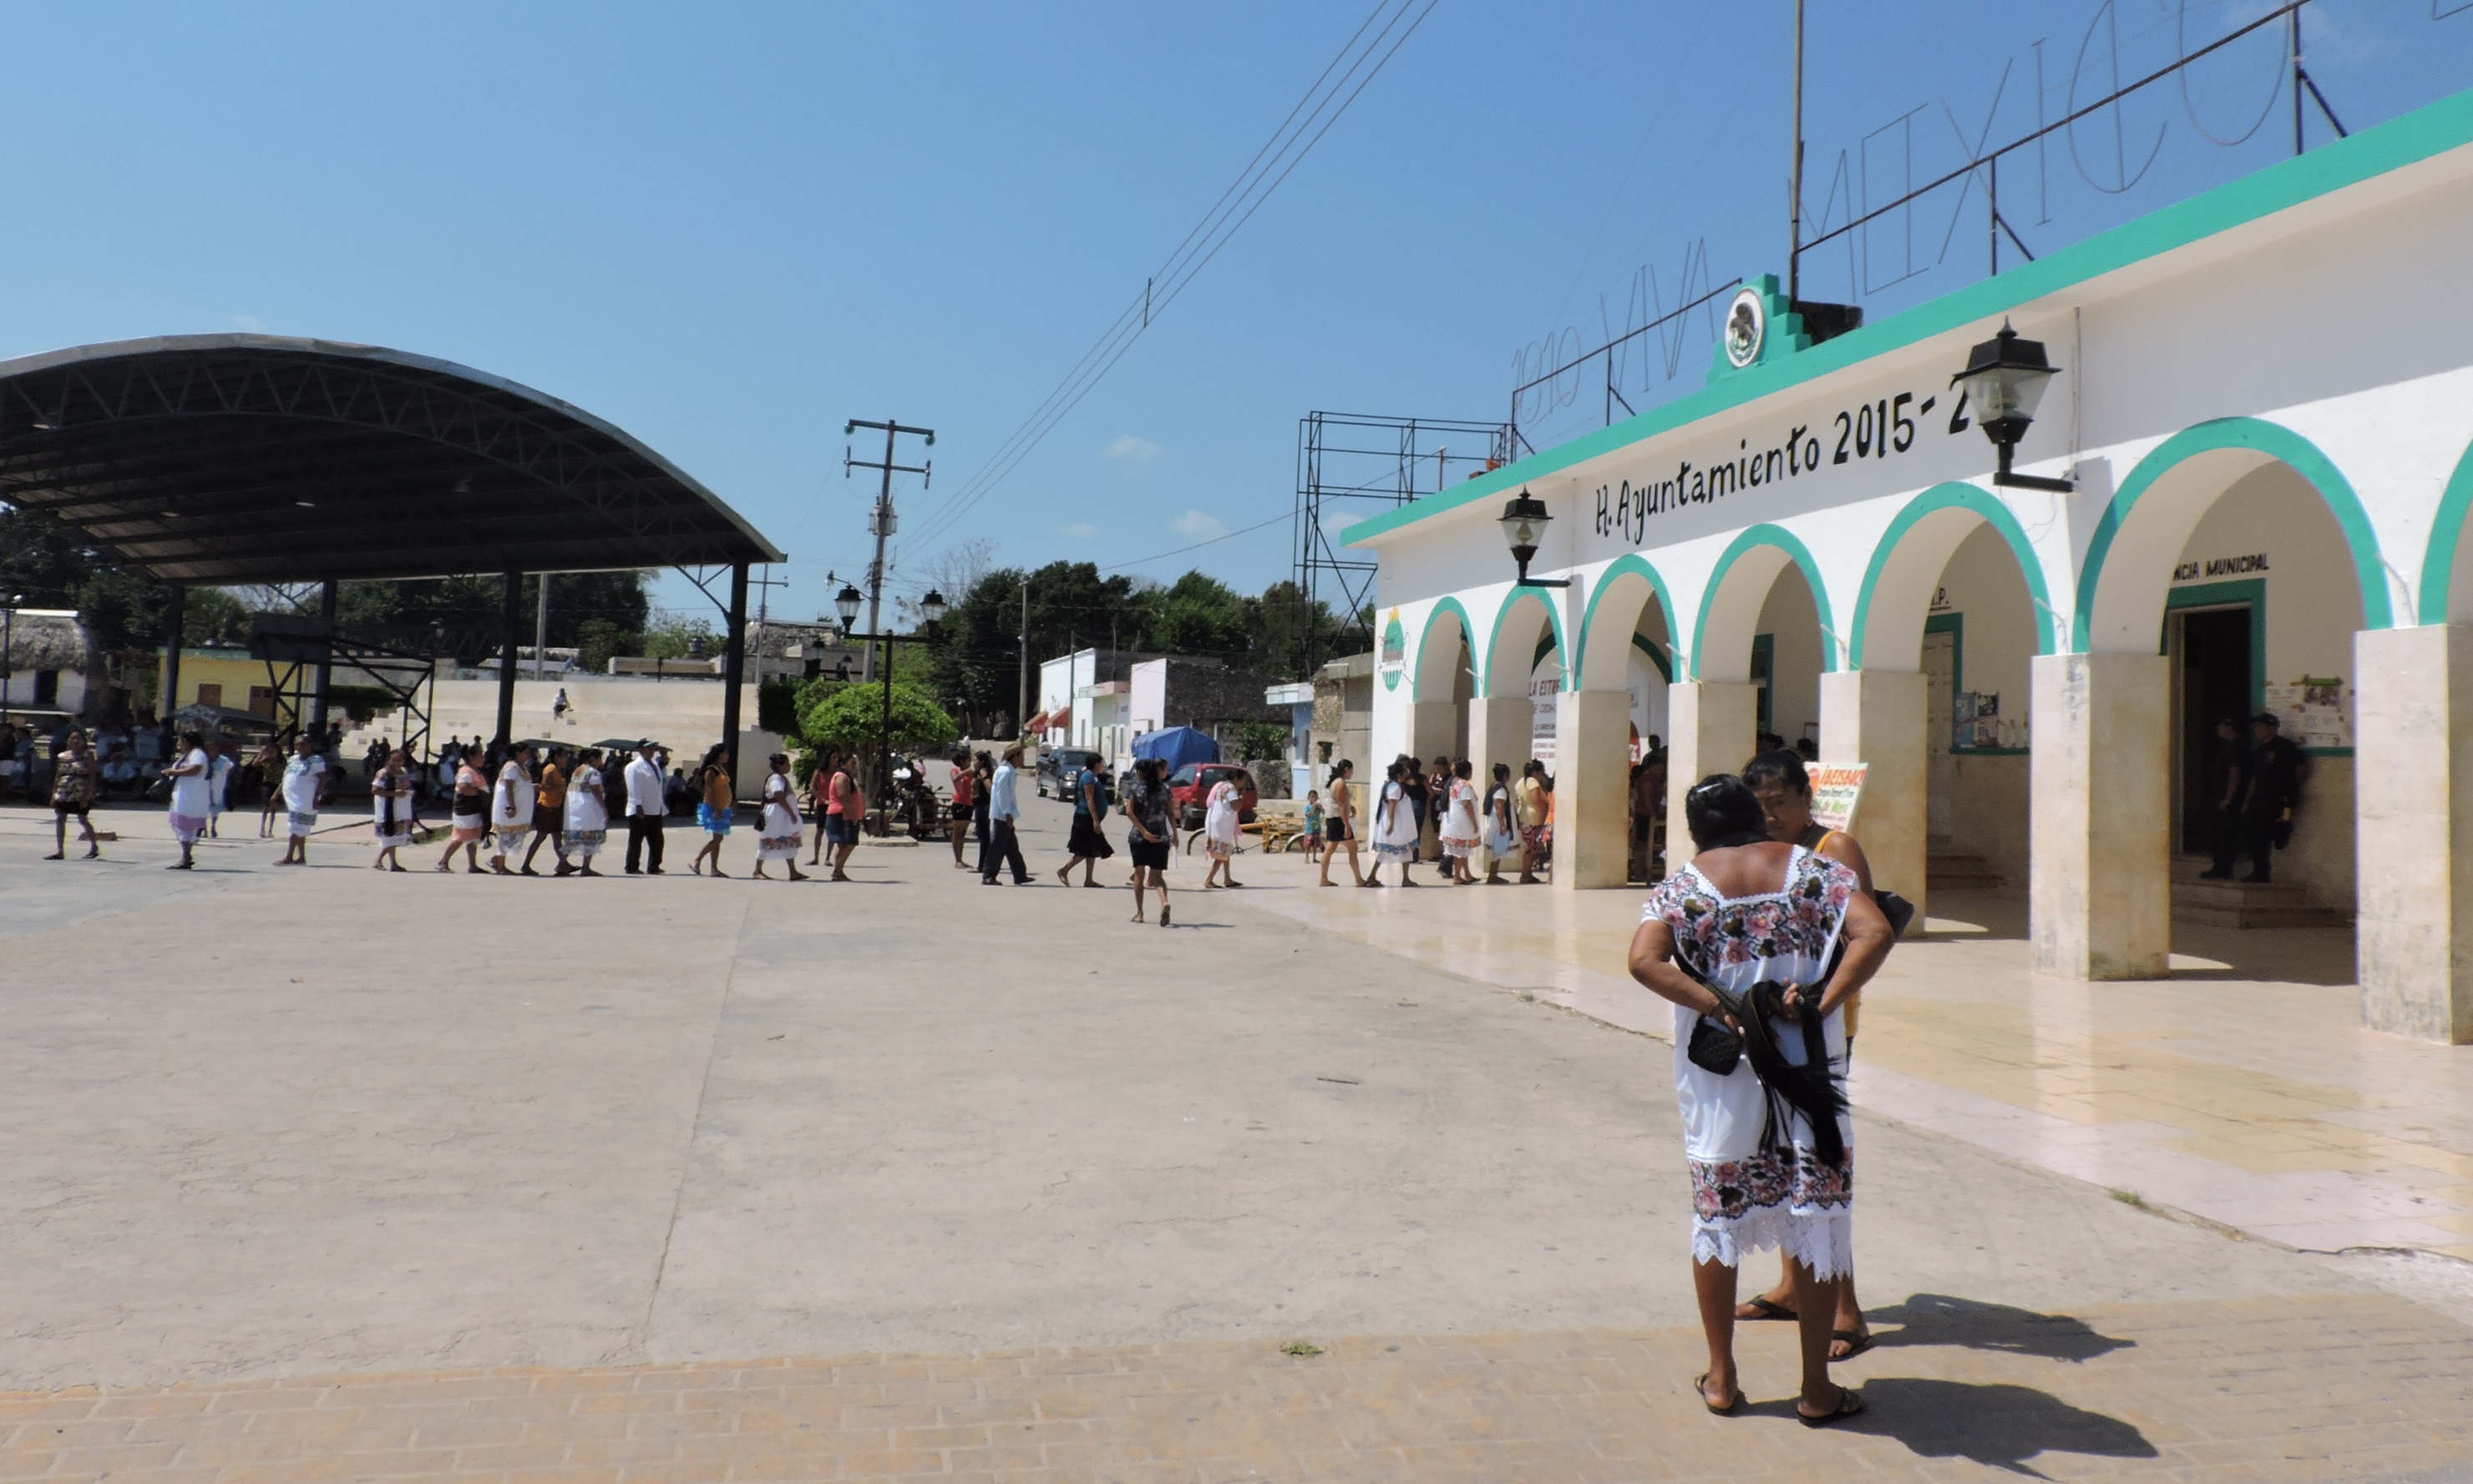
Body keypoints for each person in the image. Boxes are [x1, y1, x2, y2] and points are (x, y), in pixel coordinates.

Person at [1628, 773, 1893, 1426]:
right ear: (1754, 813)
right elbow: (1875, 931)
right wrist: (1821, 1004)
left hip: (1721, 1089)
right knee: (1814, 1217)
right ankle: (1815, 1388)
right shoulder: (1813, 872)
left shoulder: (1681, 887)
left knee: (1716, 1221)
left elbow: (1642, 960)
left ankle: (1721, 1377)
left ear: (1696, 830)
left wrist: (1718, 1004)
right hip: (1808, 1078)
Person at [2239, 712, 2310, 884]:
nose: (2256, 730)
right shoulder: (2259, 751)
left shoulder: (2284, 747)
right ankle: (2260, 872)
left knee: (2274, 825)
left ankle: (2282, 831)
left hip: (2280, 799)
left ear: (2271, 728)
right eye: (2256, 727)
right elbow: (2255, 778)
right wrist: (2247, 801)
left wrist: (2290, 787)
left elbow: (2301, 768)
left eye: (2260, 726)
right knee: (2255, 832)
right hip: (2260, 799)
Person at [2196, 717, 2249, 881]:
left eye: (2221, 726)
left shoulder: (2237, 746)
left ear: (2229, 727)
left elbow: (2235, 772)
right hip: (2223, 796)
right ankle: (2219, 867)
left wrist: (2228, 798)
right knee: (2219, 833)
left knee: (2225, 834)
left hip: (2229, 799)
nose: (2218, 729)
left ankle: (2223, 868)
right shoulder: (2231, 746)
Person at [1122, 755, 1173, 923]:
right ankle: (1164, 902)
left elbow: (1129, 812)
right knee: (1157, 876)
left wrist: (1144, 832)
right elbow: (1171, 813)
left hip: (1139, 837)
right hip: (1160, 837)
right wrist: (1175, 834)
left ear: (1140, 773)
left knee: (1139, 874)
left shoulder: (1135, 788)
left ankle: (1140, 913)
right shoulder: (1165, 789)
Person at [1057, 752, 1116, 887]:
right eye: (1101, 764)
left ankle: (1089, 879)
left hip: (1091, 817)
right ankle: (1064, 870)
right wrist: (1095, 820)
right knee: (1084, 849)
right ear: (1095, 765)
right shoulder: (1088, 777)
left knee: (1092, 849)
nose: (1102, 766)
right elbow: (1089, 799)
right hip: (1085, 818)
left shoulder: (1093, 777)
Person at [161, 729, 214, 868]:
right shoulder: (188, 755)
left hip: (192, 796)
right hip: (185, 795)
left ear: (185, 741)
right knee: (182, 825)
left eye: (180, 740)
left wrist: (174, 772)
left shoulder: (197, 754)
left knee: (182, 825)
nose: (179, 744)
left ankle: (186, 856)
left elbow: (195, 770)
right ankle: (186, 856)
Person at [45, 727, 99, 860]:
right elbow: (58, 776)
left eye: (78, 739)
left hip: (80, 791)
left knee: (82, 819)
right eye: (72, 738)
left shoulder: (87, 756)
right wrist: (53, 794)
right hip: (64, 791)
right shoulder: (62, 756)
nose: (75, 741)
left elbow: (92, 776)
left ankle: (94, 846)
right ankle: (60, 850)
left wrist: (87, 795)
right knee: (60, 818)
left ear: (83, 741)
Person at [276, 733, 328, 867]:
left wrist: (317, 797)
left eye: (303, 744)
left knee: (296, 828)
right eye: (297, 744)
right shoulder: (293, 759)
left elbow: (323, 778)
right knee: (299, 829)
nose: (300, 747)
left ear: (310, 745)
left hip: (305, 799)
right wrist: (275, 795)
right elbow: (286, 778)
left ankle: (289, 856)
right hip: (292, 799)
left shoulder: (316, 760)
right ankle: (301, 857)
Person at [982, 744, 1031, 885]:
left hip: (1005, 815)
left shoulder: (1009, 771)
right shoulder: (1005, 772)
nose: (1023, 759)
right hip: (1001, 816)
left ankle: (1020, 875)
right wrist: (1007, 813)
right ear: (1014, 756)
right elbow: (1002, 795)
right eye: (1021, 756)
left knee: (1012, 847)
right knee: (998, 847)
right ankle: (989, 875)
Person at [753, 752, 808, 881]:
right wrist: (791, 813)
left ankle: (793, 871)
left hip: (782, 816)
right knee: (769, 839)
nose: (789, 766)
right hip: (777, 814)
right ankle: (757, 870)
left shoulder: (781, 778)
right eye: (787, 764)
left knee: (788, 840)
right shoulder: (776, 779)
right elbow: (779, 796)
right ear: (779, 765)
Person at [437, 748, 491, 873]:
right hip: (466, 809)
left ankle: (472, 865)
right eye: (480, 755)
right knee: (461, 837)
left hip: (475, 809)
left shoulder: (476, 770)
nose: (483, 758)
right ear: (471, 757)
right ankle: (443, 862)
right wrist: (480, 793)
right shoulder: (466, 771)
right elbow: (463, 788)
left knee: (473, 838)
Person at [1369, 759, 1421, 887]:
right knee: (1386, 852)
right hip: (1398, 826)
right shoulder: (1395, 788)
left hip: (1403, 826)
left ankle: (1406, 878)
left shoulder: (1394, 786)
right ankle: (1372, 876)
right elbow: (1392, 805)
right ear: (1399, 775)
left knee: (1407, 851)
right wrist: (1391, 824)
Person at [524, 747, 571, 877]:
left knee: (557, 837)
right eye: (564, 756)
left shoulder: (556, 769)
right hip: (546, 807)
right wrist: (561, 787)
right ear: (557, 757)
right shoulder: (550, 769)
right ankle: (526, 865)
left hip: (553, 807)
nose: (566, 759)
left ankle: (563, 864)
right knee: (541, 837)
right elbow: (544, 787)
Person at [1316, 759, 1363, 887]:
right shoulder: (1340, 783)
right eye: (1351, 770)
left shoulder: (1336, 782)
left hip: (1334, 818)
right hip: (1338, 819)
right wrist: (1346, 824)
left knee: (1331, 848)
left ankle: (1324, 878)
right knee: (1352, 848)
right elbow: (1341, 805)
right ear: (1347, 770)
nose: (1352, 773)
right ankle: (1358, 879)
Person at [565, 747, 610, 877]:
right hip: (589, 806)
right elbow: (596, 790)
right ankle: (586, 867)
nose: (601, 761)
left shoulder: (578, 770)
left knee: (575, 836)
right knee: (591, 835)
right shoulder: (592, 772)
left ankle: (563, 862)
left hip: (575, 806)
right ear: (593, 759)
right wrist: (604, 809)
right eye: (599, 759)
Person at [624, 740, 667, 875]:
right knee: (636, 840)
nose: (651, 750)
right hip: (640, 809)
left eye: (653, 748)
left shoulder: (654, 765)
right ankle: (632, 866)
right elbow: (633, 787)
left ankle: (654, 866)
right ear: (640, 749)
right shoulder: (634, 767)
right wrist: (637, 805)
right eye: (648, 748)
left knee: (657, 840)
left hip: (655, 808)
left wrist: (661, 805)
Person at [489, 747, 534, 876]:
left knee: (515, 836)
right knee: (505, 837)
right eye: (525, 752)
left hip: (521, 811)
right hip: (509, 808)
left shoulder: (521, 767)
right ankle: (500, 866)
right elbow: (508, 787)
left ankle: (496, 860)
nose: (528, 755)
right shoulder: (511, 767)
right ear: (518, 754)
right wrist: (511, 806)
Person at [691, 744, 732, 877]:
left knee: (718, 838)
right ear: (719, 754)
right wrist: (716, 809)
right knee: (718, 838)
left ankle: (714, 868)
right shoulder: (711, 770)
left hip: (723, 806)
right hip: (715, 807)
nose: (727, 755)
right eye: (725, 753)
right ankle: (697, 859)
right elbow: (710, 791)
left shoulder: (721, 768)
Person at [371, 748, 416, 872]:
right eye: (394, 760)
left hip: (400, 808)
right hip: (386, 808)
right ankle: (379, 860)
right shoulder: (384, 773)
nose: (396, 763)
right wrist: (394, 793)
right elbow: (375, 790)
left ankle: (392, 863)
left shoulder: (404, 772)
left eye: (399, 760)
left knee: (394, 836)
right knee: (389, 835)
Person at [1440, 758, 1481, 884]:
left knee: (1463, 850)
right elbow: (1467, 805)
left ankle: (1467, 874)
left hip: (1453, 821)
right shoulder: (1465, 786)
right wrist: (1474, 824)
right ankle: (1457, 876)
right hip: (1462, 823)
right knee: (1460, 851)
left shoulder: (1454, 783)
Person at [1200, 772, 1243, 889]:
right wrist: (1241, 798)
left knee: (1226, 851)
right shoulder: (1231, 788)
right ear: (1236, 779)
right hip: (1223, 824)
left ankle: (1227, 878)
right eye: (1242, 781)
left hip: (1216, 820)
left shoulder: (1221, 786)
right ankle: (1209, 880)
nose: (1243, 784)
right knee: (1222, 852)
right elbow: (1236, 806)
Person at [823, 752, 862, 881]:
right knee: (850, 842)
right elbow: (843, 797)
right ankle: (837, 871)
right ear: (843, 764)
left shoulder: (847, 777)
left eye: (855, 764)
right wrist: (853, 815)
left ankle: (839, 871)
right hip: (843, 815)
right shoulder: (842, 777)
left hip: (845, 815)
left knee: (843, 844)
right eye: (852, 763)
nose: (855, 766)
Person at [1515, 760, 1552, 884]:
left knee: (1531, 848)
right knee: (1531, 849)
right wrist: (1547, 802)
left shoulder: (1520, 782)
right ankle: (1525, 874)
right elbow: (1537, 799)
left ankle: (1528, 873)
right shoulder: (1533, 782)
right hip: (1533, 819)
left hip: (1524, 817)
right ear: (1535, 772)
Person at [1482, 762, 1518, 885]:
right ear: (1506, 775)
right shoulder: (1500, 789)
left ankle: (1494, 874)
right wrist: (1502, 824)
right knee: (1498, 850)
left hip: (1495, 823)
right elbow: (1499, 805)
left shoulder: (1494, 786)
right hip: (1498, 824)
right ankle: (1492, 875)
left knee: (1498, 850)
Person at [946, 748, 976, 869]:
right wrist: (965, 772)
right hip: (959, 803)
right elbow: (955, 779)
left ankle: (961, 859)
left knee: (963, 833)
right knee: (957, 832)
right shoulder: (955, 771)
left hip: (969, 803)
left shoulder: (971, 772)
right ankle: (957, 860)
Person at [254, 740, 286, 838]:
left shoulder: (282, 761)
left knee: (273, 806)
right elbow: (254, 764)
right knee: (266, 805)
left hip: (278, 784)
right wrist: (262, 754)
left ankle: (270, 829)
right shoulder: (265, 760)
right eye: (269, 751)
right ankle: (262, 828)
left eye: (273, 751)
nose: (271, 753)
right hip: (267, 783)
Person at [207, 742, 236, 838]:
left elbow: (230, 767)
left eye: (214, 748)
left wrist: (225, 776)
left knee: (215, 808)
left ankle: (213, 826)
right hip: (205, 786)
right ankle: (203, 828)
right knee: (203, 808)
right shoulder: (205, 759)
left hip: (218, 786)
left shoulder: (224, 760)